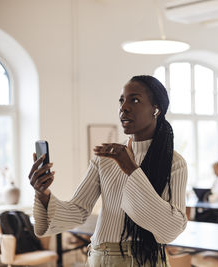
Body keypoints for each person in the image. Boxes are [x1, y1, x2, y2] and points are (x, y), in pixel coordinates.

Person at [28, 75, 188, 267]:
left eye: (134, 100)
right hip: (100, 257)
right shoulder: (105, 158)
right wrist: (43, 194)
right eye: (122, 100)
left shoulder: (175, 163)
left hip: (146, 260)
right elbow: (78, 211)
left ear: (156, 110)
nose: (124, 107)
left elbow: (172, 228)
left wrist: (131, 170)